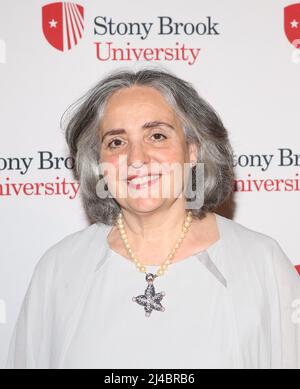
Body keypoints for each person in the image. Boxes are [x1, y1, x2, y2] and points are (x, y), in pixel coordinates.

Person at [6, 67, 300, 369]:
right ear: (99, 164)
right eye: (116, 142)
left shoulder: (260, 263)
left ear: (192, 151)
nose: (136, 159)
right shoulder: (59, 269)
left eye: (157, 136)